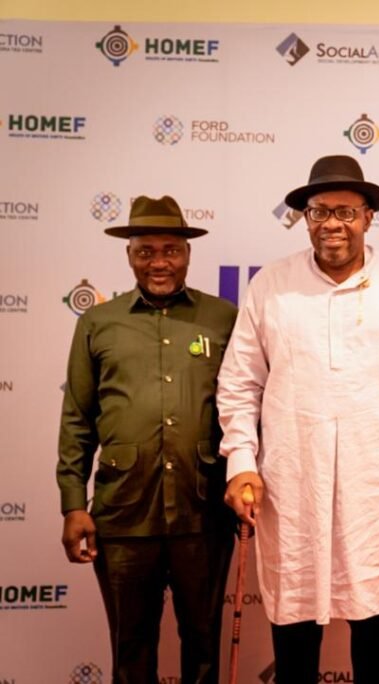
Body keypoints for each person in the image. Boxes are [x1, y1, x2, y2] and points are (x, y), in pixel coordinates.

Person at [216, 155, 379, 684]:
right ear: (305, 218)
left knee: (376, 633)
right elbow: (239, 383)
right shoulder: (272, 286)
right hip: (291, 487)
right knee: (295, 636)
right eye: (320, 211)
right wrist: (241, 462)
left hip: (378, 491)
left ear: (368, 217)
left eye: (346, 212)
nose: (332, 224)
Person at [58, 195, 238, 684]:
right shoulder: (97, 323)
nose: (159, 262)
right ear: (129, 255)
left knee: (203, 644)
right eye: (146, 251)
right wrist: (73, 504)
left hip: (204, 512)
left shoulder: (223, 318)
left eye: (171, 250)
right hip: (122, 514)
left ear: (188, 254)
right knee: (130, 650)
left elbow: (246, 407)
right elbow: (77, 419)